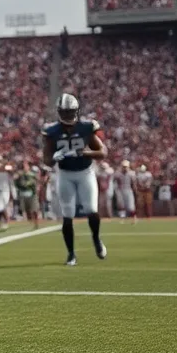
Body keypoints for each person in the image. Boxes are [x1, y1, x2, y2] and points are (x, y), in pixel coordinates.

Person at [41, 93, 108, 266]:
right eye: (65, 111)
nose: (68, 115)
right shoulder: (52, 131)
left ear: (77, 111)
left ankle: (96, 239)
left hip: (85, 172)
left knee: (91, 210)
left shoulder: (86, 127)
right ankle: (71, 254)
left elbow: (102, 152)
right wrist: (54, 157)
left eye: (70, 111)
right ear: (59, 112)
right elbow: (46, 159)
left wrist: (84, 153)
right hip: (65, 175)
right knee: (67, 215)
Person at [14, 160, 40, 230]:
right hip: (23, 194)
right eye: (23, 165)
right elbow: (16, 183)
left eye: (26, 165)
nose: (24, 167)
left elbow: (37, 181)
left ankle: (36, 223)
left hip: (31, 194)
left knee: (34, 210)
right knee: (27, 210)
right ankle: (31, 223)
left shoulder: (32, 174)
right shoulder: (19, 175)